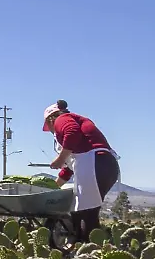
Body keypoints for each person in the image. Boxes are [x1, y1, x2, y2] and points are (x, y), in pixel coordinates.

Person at [43, 100, 120, 242]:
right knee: (85, 211)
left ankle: (89, 250)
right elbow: (67, 171)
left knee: (87, 212)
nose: (51, 131)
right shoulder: (77, 125)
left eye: (48, 126)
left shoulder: (62, 118)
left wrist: (60, 158)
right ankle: (85, 244)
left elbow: (72, 133)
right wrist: (52, 188)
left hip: (94, 163)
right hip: (105, 165)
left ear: (50, 119)